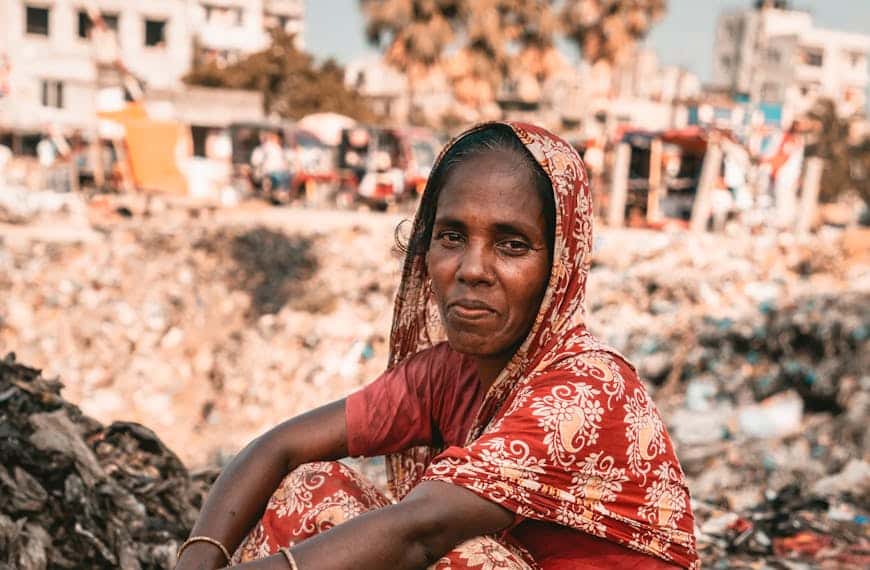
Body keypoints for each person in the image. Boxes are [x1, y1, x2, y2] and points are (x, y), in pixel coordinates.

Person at [176, 122, 698, 570]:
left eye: (511, 245)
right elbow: (281, 447)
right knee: (313, 487)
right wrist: (198, 559)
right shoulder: (448, 372)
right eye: (451, 237)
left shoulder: (586, 391)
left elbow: (419, 531)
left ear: (559, 267)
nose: (472, 269)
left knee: (462, 557)